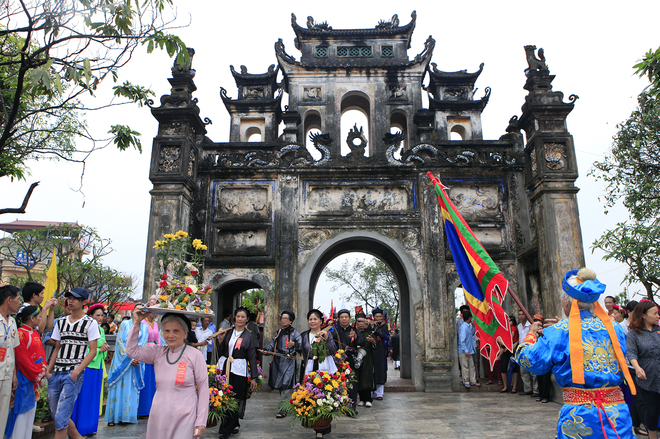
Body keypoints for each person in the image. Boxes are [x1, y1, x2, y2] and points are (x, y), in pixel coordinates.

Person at [515, 268, 635, 439]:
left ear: (567, 302)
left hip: (579, 416)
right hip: (617, 413)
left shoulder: (558, 331)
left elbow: (529, 361)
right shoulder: (615, 328)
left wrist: (531, 334)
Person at [126, 310, 208, 439]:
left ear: (185, 333)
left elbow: (203, 389)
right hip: (159, 415)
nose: (170, 335)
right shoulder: (158, 353)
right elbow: (132, 351)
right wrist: (136, 323)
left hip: (185, 416)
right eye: (167, 331)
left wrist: (201, 421)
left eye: (176, 331)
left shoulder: (194, 355)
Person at [46, 287, 100, 439]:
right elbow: (57, 347)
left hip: (73, 373)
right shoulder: (61, 322)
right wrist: (48, 372)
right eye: (69, 298)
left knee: (61, 416)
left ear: (83, 302)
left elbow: (93, 350)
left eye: (75, 298)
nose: (70, 301)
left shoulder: (90, 323)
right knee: (57, 414)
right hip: (56, 373)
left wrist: (76, 372)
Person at [216, 307, 258, 439]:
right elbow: (222, 350)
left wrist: (254, 377)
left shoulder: (248, 336)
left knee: (235, 398)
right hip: (226, 368)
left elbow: (252, 356)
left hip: (239, 369)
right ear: (234, 318)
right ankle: (231, 424)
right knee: (225, 396)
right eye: (238, 316)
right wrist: (220, 340)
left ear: (247, 320)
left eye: (242, 317)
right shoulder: (229, 332)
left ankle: (226, 429)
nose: (240, 319)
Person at [104, 304, 148, 426]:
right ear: (133, 311)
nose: (139, 311)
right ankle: (113, 417)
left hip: (136, 364)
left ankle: (127, 416)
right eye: (137, 309)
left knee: (131, 388)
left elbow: (143, 344)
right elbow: (119, 342)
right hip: (123, 361)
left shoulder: (145, 327)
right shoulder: (125, 324)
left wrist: (138, 357)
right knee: (118, 388)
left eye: (142, 309)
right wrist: (129, 359)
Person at [6, 306, 45, 439]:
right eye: (39, 316)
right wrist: (36, 374)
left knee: (30, 414)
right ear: (32, 318)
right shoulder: (20, 334)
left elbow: (42, 353)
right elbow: (22, 358)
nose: (40, 319)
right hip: (24, 378)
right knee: (21, 413)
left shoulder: (34, 333)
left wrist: (43, 368)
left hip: (34, 377)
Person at [71, 303, 109, 435]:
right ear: (91, 316)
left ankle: (91, 427)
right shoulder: (86, 327)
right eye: (97, 315)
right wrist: (99, 349)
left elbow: (101, 347)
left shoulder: (102, 330)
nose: (100, 318)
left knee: (94, 397)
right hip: (88, 366)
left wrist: (102, 350)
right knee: (84, 396)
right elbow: (84, 348)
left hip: (98, 365)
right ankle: (80, 427)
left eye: (102, 315)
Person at [300, 309, 337, 439]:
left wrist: (326, 338)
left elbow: (333, 350)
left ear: (321, 321)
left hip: (324, 366)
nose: (312, 321)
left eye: (315, 319)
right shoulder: (304, 335)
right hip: (310, 367)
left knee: (324, 394)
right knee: (312, 394)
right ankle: (317, 425)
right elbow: (302, 351)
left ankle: (323, 426)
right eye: (310, 319)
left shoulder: (327, 334)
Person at [627, 300, 660, 439]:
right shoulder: (634, 333)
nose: (658, 316)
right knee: (652, 411)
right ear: (644, 315)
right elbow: (631, 354)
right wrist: (637, 367)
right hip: (647, 378)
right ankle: (652, 436)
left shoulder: (658, 331)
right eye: (655, 313)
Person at [261, 310, 302, 418]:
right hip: (278, 361)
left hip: (289, 361)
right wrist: (266, 350)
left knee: (286, 384)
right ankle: (286, 405)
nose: (283, 320)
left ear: (291, 320)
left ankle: (282, 409)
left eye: (286, 318)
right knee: (280, 385)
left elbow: (301, 345)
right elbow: (272, 344)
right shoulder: (278, 332)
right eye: (282, 318)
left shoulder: (295, 333)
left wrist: (294, 344)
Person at [330, 308, 363, 414]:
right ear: (338, 319)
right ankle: (338, 406)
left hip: (351, 361)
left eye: (346, 317)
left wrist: (356, 337)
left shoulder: (354, 330)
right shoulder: (334, 331)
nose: (344, 319)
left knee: (352, 384)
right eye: (342, 317)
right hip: (338, 361)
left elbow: (362, 342)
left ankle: (351, 408)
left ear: (349, 318)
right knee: (338, 384)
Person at [0, 285, 21, 437]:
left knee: (2, 414)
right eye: (18, 299)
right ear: (9, 300)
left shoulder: (12, 322)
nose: (19, 303)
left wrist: (14, 375)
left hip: (7, 375)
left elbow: (12, 349)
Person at [138, 311, 160, 417]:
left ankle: (152, 407)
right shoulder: (142, 323)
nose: (155, 314)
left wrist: (158, 350)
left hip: (154, 353)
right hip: (145, 351)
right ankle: (143, 408)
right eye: (154, 312)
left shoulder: (155, 324)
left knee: (153, 380)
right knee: (145, 379)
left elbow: (158, 339)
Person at [355, 313, 375, 408]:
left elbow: (376, 345)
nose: (361, 323)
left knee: (367, 377)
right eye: (359, 321)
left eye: (363, 321)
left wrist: (373, 342)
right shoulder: (354, 333)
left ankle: (368, 399)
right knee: (359, 377)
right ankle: (362, 399)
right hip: (356, 358)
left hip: (367, 358)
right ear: (356, 322)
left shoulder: (369, 333)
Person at [531, 314, 552, 404]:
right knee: (539, 376)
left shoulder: (546, 331)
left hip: (546, 357)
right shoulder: (533, 332)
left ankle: (546, 396)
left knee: (546, 377)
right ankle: (541, 394)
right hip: (538, 356)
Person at [517, 310, 538, 396]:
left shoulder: (531, 325)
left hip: (531, 350)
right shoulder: (519, 326)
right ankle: (527, 389)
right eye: (519, 315)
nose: (521, 316)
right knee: (523, 372)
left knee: (533, 372)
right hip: (522, 351)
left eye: (523, 314)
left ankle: (536, 390)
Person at [370, 308, 389, 400]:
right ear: (373, 317)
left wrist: (374, 328)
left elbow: (382, 335)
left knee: (380, 371)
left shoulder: (384, 326)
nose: (378, 318)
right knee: (371, 371)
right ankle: (370, 391)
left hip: (381, 352)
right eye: (376, 316)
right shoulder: (369, 326)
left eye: (380, 316)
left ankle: (379, 393)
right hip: (371, 351)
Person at [497, 314, 519, 393]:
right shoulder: (505, 329)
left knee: (515, 369)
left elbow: (511, 337)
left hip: (512, 347)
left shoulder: (513, 328)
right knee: (503, 368)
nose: (508, 322)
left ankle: (514, 387)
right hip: (506, 347)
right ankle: (505, 386)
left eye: (510, 320)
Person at [458, 310, 480, 388]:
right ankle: (466, 381)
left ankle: (472, 380)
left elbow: (471, 335)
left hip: (469, 350)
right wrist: (466, 350)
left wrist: (474, 327)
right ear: (469, 318)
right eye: (471, 318)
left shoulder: (467, 327)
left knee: (471, 366)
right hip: (464, 351)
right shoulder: (464, 327)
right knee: (465, 366)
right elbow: (462, 340)